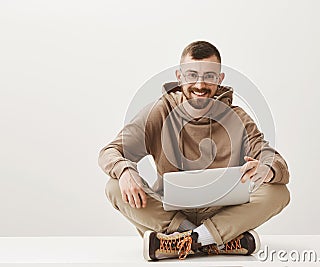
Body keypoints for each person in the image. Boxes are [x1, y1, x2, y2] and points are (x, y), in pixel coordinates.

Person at [98, 41, 290, 261]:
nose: (200, 84)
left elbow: (273, 158)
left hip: (223, 212)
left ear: (219, 79)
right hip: (171, 213)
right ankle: (215, 242)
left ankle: (180, 243)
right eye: (192, 75)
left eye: (209, 76)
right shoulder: (159, 111)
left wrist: (266, 169)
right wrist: (123, 170)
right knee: (114, 186)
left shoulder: (237, 117)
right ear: (180, 77)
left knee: (278, 192)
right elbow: (110, 151)